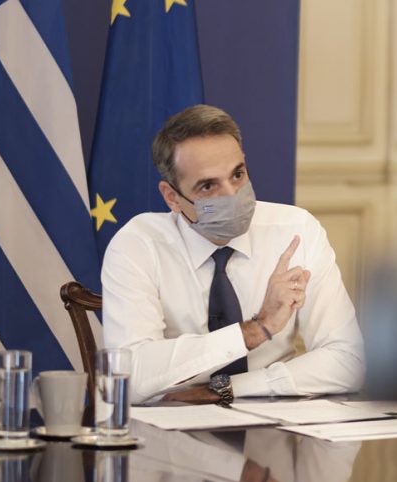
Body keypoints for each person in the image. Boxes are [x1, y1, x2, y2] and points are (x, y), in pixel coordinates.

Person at [101, 104, 365, 404]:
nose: (231, 195)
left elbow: (349, 360)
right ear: (172, 197)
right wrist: (256, 329)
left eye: (237, 175)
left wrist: (228, 388)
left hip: (273, 419)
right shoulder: (138, 245)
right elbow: (129, 375)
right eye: (208, 186)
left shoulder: (296, 230)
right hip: (172, 423)